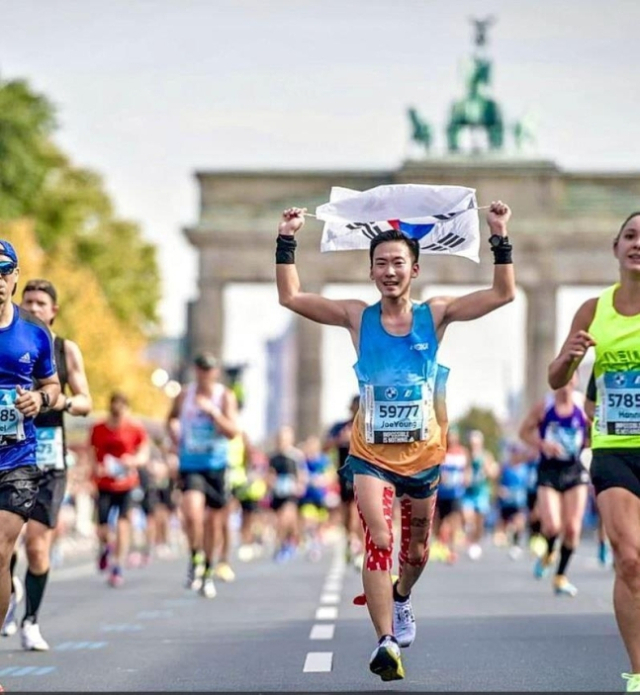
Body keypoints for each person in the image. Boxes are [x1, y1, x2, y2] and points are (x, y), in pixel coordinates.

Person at [275, 200, 515, 681]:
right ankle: (385, 641)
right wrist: (286, 239)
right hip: (370, 456)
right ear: (370, 271)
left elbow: (502, 294)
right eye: (380, 263)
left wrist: (499, 234)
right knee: (380, 540)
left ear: (414, 270)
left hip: (424, 456)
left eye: (397, 263)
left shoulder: (437, 313)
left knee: (417, 551)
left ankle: (402, 597)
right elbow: (292, 297)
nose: (389, 271)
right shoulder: (355, 316)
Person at [548, 211, 640, 691]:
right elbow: (557, 379)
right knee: (629, 559)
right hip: (614, 449)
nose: (637, 243)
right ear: (615, 247)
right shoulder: (593, 309)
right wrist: (570, 359)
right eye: (630, 235)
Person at [1, 279, 92, 651]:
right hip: (14, 447)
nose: (35, 308)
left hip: (47, 455)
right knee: (7, 544)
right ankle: (8, 579)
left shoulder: (62, 348)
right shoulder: (15, 333)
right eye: (31, 302)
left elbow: (85, 400)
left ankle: (31, 620)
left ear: (53, 310)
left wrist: (55, 402)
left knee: (38, 546)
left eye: (42, 303)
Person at [0, 242, 60, 686]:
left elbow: (52, 386)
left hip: (16, 458)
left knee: (0, 552)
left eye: (3, 270)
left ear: (14, 275)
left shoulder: (35, 332)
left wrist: (39, 399)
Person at [166, 352, 239, 599]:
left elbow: (233, 432)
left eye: (208, 369)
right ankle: (195, 555)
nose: (204, 374)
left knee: (213, 523)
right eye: (200, 369)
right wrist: (174, 432)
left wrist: (213, 413)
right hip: (191, 463)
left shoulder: (224, 397)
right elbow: (171, 419)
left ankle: (208, 569)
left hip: (216, 465)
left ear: (215, 372)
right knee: (192, 512)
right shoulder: (185, 395)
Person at [519, 375, 590, 596]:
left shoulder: (583, 404)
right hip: (549, 471)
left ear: (576, 381)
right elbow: (524, 432)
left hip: (574, 469)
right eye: (562, 381)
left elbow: (596, 429)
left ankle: (560, 576)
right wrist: (542, 444)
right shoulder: (545, 405)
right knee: (551, 526)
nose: (566, 386)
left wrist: (589, 444)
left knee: (572, 528)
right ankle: (549, 551)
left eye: (571, 380)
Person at [89, 392, 150, 587]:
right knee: (103, 528)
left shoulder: (135, 428)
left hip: (127, 483)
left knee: (124, 523)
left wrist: (133, 461)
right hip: (104, 483)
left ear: (126, 410)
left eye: (121, 413)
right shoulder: (98, 428)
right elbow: (92, 451)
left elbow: (144, 453)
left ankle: (117, 566)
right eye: (114, 414)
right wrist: (95, 468)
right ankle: (106, 547)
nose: (117, 418)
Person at [324, 395, 364, 568]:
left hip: (365, 473)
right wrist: (340, 440)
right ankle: (350, 539)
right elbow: (324, 447)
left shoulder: (369, 426)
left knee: (361, 510)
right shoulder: (340, 427)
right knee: (348, 511)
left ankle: (360, 546)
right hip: (346, 474)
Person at [462, 430, 496, 560]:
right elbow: (465, 473)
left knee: (479, 522)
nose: (473, 446)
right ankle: (470, 539)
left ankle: (475, 543)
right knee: (468, 517)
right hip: (469, 493)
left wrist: (487, 470)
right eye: (472, 443)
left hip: (481, 492)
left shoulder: (486, 456)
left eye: (476, 443)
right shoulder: (468, 456)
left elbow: (493, 472)